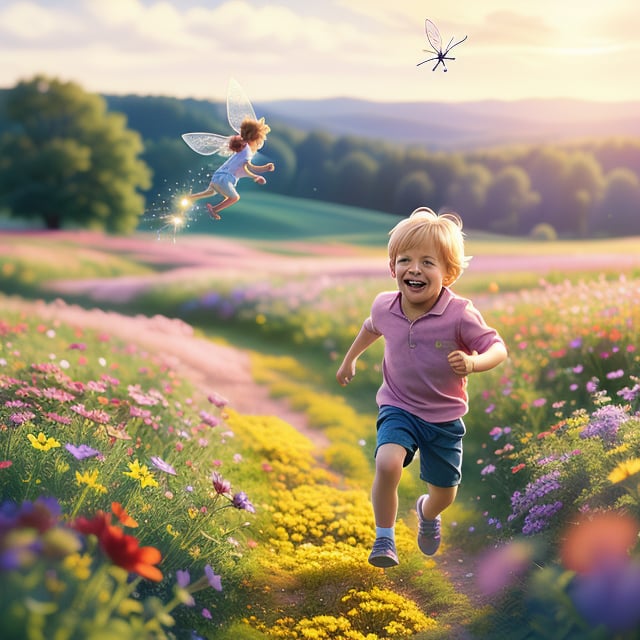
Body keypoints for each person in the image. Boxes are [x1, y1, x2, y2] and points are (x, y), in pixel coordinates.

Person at [336, 207, 508, 568]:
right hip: (398, 406)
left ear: (449, 273)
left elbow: (498, 348)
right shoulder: (385, 305)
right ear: (392, 268)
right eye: (405, 260)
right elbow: (371, 327)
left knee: (444, 494)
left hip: (444, 419)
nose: (414, 269)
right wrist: (350, 359)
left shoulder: (460, 313)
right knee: (387, 463)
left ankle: (427, 515)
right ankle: (384, 540)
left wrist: (474, 363)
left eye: (428, 262)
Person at [185, 117, 275, 220]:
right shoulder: (247, 152)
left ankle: (190, 198)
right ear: (256, 138)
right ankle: (214, 209)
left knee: (211, 191)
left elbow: (243, 166)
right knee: (234, 197)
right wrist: (259, 173)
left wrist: (261, 172)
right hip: (225, 178)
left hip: (218, 175)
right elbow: (249, 167)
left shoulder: (243, 147)